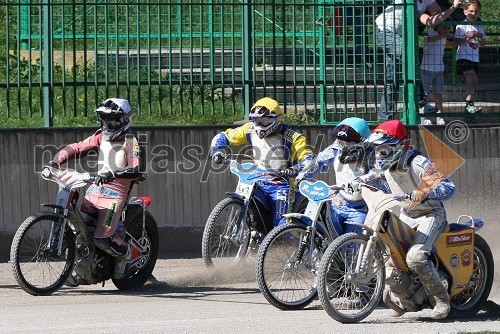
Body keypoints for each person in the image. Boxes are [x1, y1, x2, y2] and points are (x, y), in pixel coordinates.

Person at [354, 120, 455, 320]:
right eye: (377, 148)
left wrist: (424, 192)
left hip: (430, 215)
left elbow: (449, 187)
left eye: (385, 148)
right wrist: (355, 183)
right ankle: (406, 298)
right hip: (406, 215)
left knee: (415, 257)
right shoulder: (384, 165)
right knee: (390, 258)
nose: (380, 153)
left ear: (401, 145)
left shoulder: (418, 163)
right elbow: (374, 177)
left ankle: (441, 300)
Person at [49, 98, 143, 280]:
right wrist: (57, 159)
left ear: (125, 120)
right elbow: (79, 147)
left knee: (102, 239)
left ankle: (125, 255)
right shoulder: (100, 135)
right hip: (95, 190)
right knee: (76, 228)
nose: (108, 124)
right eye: (104, 119)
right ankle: (80, 266)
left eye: (112, 120)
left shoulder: (131, 140)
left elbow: (136, 168)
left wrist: (113, 174)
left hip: (115, 196)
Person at [210, 97, 315, 231]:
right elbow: (224, 136)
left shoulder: (292, 136)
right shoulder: (249, 129)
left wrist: (296, 168)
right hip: (257, 178)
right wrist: (218, 151)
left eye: (264, 120)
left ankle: (282, 246)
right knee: (248, 203)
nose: (259, 124)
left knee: (280, 224)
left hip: (282, 183)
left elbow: (309, 159)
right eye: (256, 120)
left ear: (277, 119)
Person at [314, 117, 372, 234]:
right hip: (338, 203)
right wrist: (299, 170)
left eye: (349, 141)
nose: (345, 145)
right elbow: (317, 161)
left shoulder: (373, 154)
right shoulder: (336, 149)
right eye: (342, 141)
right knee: (325, 238)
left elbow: (379, 175)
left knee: (351, 247)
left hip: (361, 209)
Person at [419, 20, 454, 125]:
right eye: (443, 27)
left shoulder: (443, 38)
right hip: (426, 68)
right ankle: (422, 118)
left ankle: (439, 118)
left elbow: (453, 41)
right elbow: (429, 40)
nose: (445, 30)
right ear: (437, 27)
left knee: (438, 94)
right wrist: (443, 36)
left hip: (439, 69)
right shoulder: (432, 34)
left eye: (448, 28)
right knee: (424, 95)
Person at [454, 0, 486, 113]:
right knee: (473, 78)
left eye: (476, 11)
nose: (474, 14)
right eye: (471, 11)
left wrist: (479, 36)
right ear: (465, 12)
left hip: (475, 57)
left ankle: (469, 104)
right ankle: (469, 104)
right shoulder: (461, 25)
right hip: (463, 57)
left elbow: (482, 44)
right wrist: (467, 38)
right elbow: (456, 41)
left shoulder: (480, 26)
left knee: (472, 80)